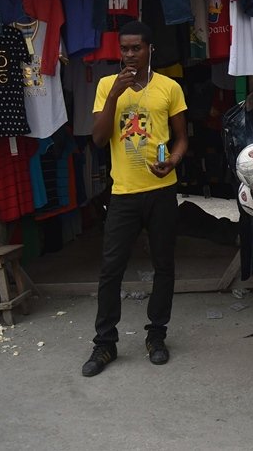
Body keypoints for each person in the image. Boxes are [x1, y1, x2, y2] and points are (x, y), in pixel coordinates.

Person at [82, 20, 189, 377]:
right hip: (123, 192)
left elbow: (182, 138)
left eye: (136, 48)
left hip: (161, 190)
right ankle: (104, 344)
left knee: (164, 265)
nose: (129, 55)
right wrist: (114, 95)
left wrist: (172, 161)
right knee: (111, 269)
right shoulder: (105, 86)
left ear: (149, 50)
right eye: (124, 49)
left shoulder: (169, 87)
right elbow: (98, 140)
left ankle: (156, 336)